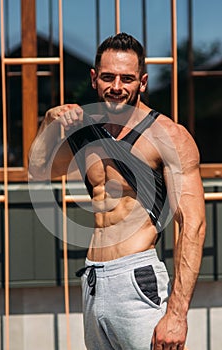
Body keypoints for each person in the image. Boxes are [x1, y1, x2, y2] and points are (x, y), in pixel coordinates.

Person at [29, 33, 206, 350]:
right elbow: (40, 171)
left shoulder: (168, 136)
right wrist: (48, 124)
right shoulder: (86, 130)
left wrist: (177, 314)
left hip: (137, 280)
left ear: (143, 82)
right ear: (94, 78)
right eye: (108, 77)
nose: (117, 86)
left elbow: (193, 225)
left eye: (127, 78)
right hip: (94, 281)